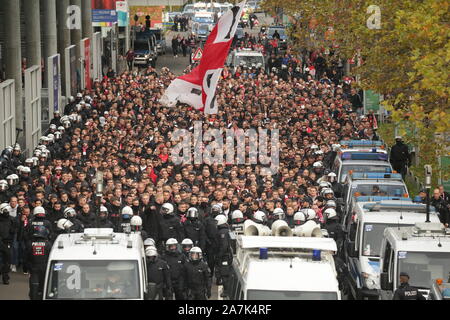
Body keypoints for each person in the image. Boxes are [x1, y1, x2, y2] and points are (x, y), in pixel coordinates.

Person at [26, 225, 52, 300]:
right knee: (44, 287)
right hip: (45, 269)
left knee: (33, 288)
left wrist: (27, 267)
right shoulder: (48, 244)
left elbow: (26, 256)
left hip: (33, 269)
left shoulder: (29, 244)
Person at [214, 214, 233, 298]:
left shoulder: (222, 232)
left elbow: (224, 246)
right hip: (226, 255)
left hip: (224, 256)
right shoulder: (226, 230)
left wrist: (219, 256)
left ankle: (226, 291)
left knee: (224, 274)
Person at [0, 203, 16, 284]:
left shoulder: (12, 219)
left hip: (7, 243)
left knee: (7, 261)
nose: (7, 211)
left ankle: (5, 277)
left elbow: (15, 230)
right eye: (5, 210)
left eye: (8, 210)